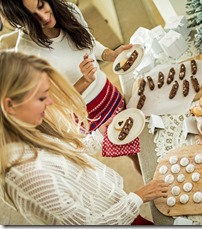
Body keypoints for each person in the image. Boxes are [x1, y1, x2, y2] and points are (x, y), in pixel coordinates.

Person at [0, 51, 169, 225]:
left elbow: (69, 154)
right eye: (41, 97)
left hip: (117, 210)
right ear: (10, 105)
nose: (49, 102)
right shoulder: (25, 174)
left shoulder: (29, 130)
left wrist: (101, 133)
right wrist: (139, 197)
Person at [0, 0, 141, 170]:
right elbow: (53, 103)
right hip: (87, 114)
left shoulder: (70, 11)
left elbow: (87, 41)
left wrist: (110, 54)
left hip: (108, 91)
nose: (44, 17)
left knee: (140, 139)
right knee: (134, 152)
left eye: (41, 6)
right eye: (33, 17)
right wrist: (84, 81)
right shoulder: (26, 52)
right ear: (21, 22)